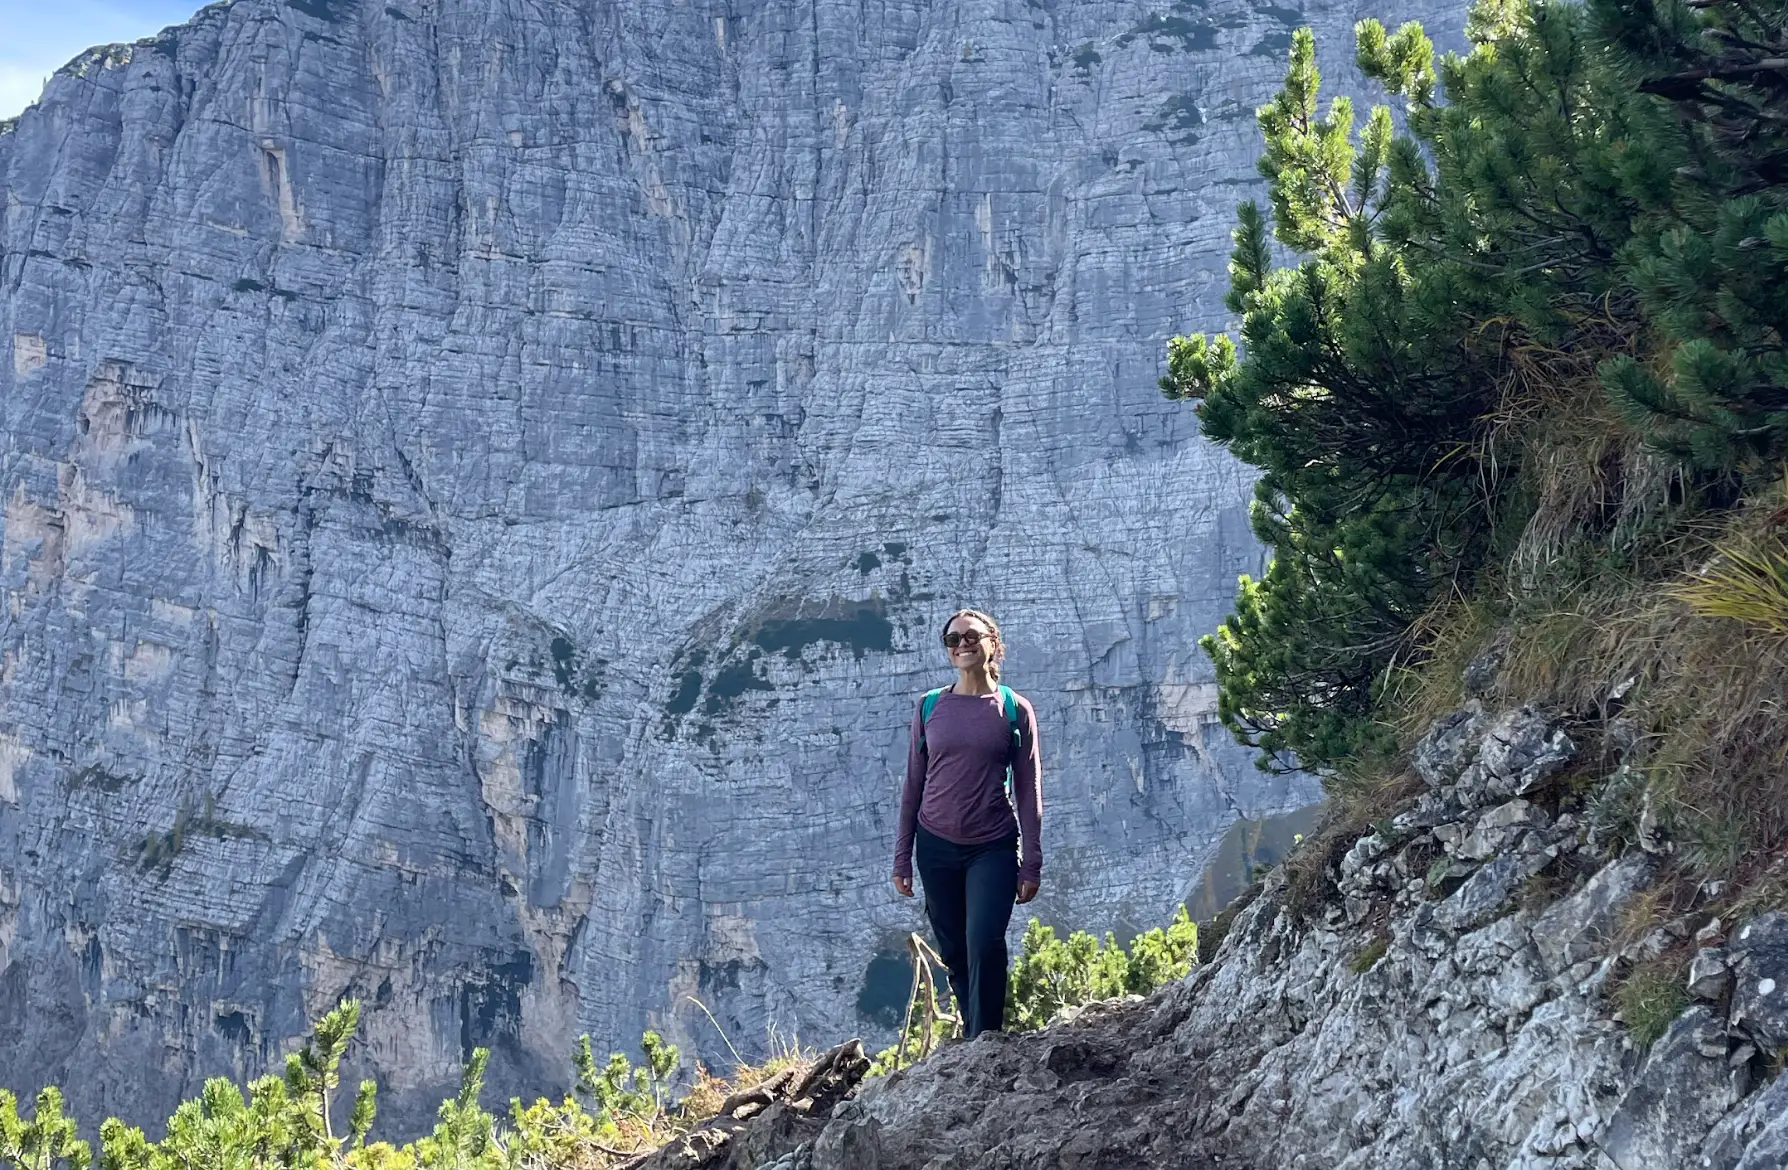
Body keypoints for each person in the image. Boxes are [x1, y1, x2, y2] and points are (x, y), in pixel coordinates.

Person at [891, 608, 1042, 1040]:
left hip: (992, 845)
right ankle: (973, 1032)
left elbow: (1029, 790)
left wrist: (1031, 863)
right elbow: (913, 785)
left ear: (993, 642)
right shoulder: (930, 707)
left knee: (985, 943)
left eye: (971, 636)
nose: (962, 645)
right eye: (952, 639)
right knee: (956, 951)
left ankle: (986, 1042)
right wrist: (902, 857)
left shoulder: (1014, 710)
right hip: (935, 846)